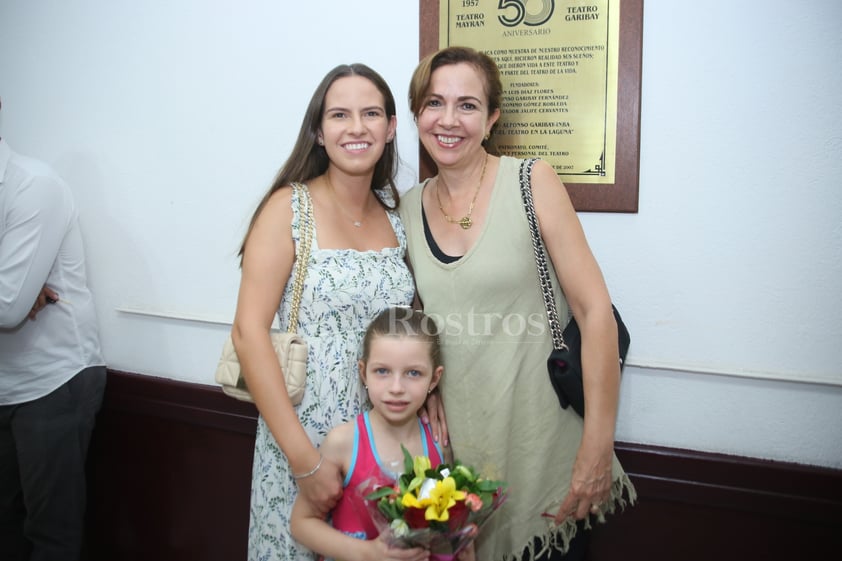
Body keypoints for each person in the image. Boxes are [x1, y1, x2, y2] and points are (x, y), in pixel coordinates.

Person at [399, 46, 636, 561]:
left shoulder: (531, 181)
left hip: (547, 448)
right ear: (417, 113)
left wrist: (597, 449)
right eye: (434, 102)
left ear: (491, 118)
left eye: (467, 105)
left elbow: (596, 314)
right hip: (462, 460)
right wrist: (428, 389)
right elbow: (422, 325)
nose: (448, 120)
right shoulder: (407, 208)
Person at [230, 64, 418, 561]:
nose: (356, 127)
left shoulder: (396, 215)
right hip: (303, 438)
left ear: (391, 127)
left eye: (371, 113)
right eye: (340, 115)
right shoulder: (288, 208)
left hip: (382, 438)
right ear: (319, 130)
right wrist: (304, 463)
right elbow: (249, 333)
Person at [0, 98, 107, 561]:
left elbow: (7, 306)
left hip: (52, 381)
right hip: (6, 384)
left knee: (51, 537)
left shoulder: (33, 186)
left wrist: (16, 298)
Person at [290, 307, 470, 561]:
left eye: (413, 373)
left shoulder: (440, 443)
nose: (396, 388)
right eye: (382, 371)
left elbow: (450, 525)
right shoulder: (343, 442)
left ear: (434, 379)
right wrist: (366, 553)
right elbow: (301, 523)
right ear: (363, 372)